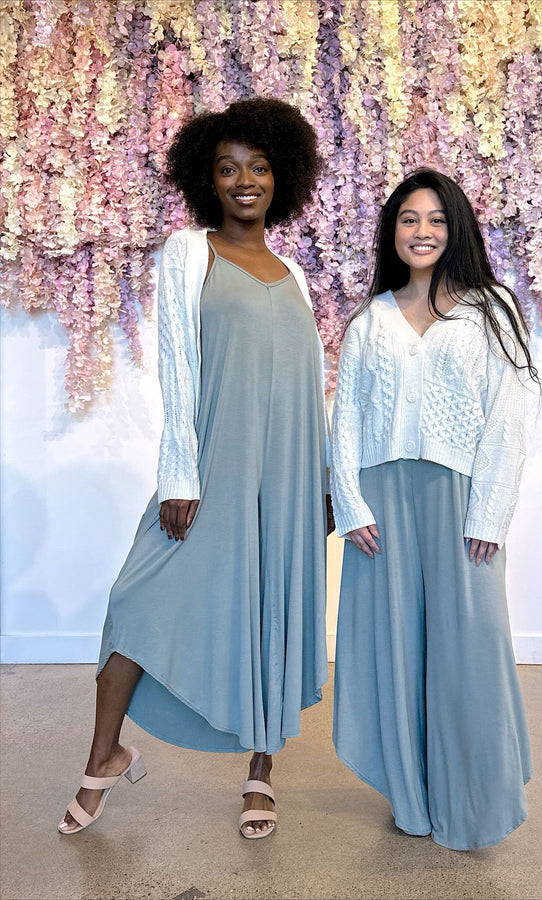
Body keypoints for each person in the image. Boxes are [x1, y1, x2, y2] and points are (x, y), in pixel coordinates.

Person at [59, 98, 332, 841]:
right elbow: (178, 368)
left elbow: (312, 387)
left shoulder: (295, 273)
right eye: (228, 169)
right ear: (206, 180)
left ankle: (261, 771)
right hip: (215, 465)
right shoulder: (189, 253)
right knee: (136, 600)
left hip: (290, 474)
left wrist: (326, 483)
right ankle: (104, 755)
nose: (245, 181)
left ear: (281, 177)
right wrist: (181, 474)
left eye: (259, 167)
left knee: (271, 608)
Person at [330, 168, 539, 851]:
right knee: (394, 649)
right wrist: (350, 501)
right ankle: (411, 798)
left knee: (470, 644)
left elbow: (511, 416)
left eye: (436, 219)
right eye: (409, 219)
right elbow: (346, 416)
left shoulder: (491, 310)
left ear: (457, 229)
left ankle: (473, 803)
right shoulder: (370, 319)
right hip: (382, 502)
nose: (422, 232)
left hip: (459, 499)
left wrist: (489, 513)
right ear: (392, 232)